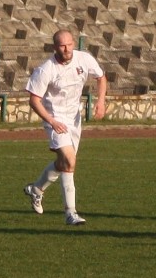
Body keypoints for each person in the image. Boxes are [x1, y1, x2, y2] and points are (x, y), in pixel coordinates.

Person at [22, 29, 107, 225]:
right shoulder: (46, 69)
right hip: (55, 119)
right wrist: (51, 121)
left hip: (74, 119)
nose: (67, 48)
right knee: (69, 160)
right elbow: (34, 100)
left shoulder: (83, 59)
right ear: (55, 47)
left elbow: (101, 78)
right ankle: (71, 213)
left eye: (70, 44)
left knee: (64, 165)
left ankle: (36, 190)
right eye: (62, 45)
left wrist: (101, 101)